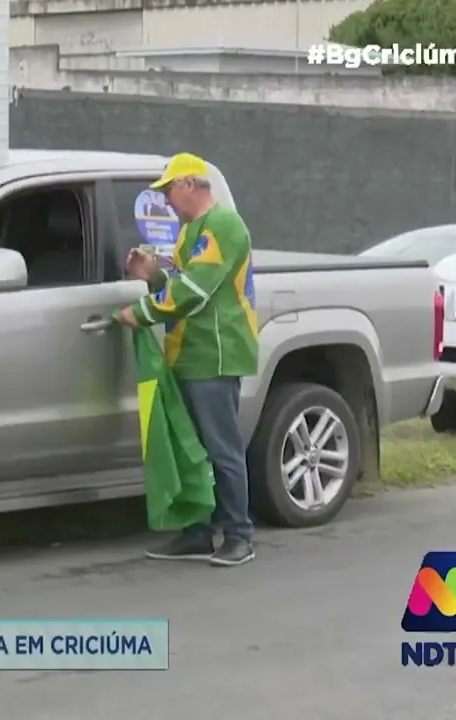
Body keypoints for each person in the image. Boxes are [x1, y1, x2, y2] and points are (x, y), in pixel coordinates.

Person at [113, 153, 260, 567]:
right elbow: (179, 282)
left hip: (216, 354)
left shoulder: (223, 225)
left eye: (168, 191)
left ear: (189, 185)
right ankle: (197, 533)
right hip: (188, 353)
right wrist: (152, 275)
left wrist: (140, 312)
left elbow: (194, 290)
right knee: (193, 449)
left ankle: (239, 535)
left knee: (222, 449)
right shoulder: (191, 231)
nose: (166, 201)